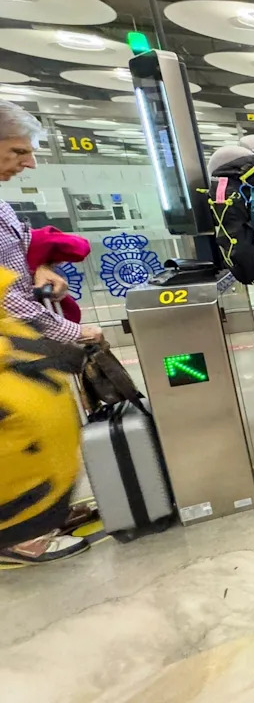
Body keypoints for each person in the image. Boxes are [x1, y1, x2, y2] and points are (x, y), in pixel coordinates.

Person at [0, 101, 98, 564]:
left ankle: (43, 511)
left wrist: (39, 266)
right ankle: (19, 532)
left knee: (45, 429)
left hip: (19, 342)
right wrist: (66, 331)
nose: (29, 163)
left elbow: (15, 259)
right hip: (9, 346)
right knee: (19, 435)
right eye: (17, 151)